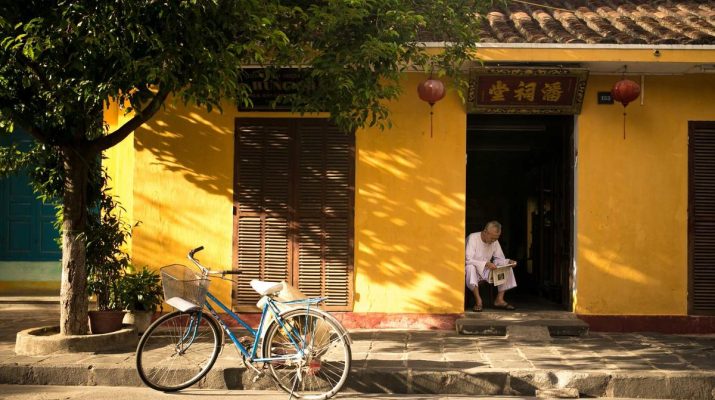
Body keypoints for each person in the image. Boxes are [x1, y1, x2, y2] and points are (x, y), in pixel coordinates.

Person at [465, 221, 517, 312]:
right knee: (470, 267)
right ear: (485, 232)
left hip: (486, 270)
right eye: (492, 238)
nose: (493, 241)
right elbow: (468, 259)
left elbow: (499, 259)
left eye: (496, 238)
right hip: (472, 270)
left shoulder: (495, 241)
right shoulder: (473, 237)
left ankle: (499, 299)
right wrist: (486, 263)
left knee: (506, 267)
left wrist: (509, 261)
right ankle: (478, 301)